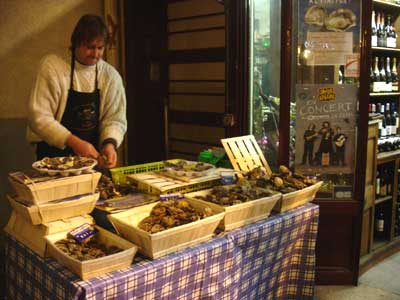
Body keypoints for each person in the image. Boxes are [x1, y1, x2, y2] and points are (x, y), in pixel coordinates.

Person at [26, 14, 126, 169]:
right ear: (76, 43)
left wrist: (109, 144)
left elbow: (115, 119)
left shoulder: (110, 76)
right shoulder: (52, 67)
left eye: (100, 48)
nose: (95, 54)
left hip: (92, 160)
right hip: (53, 161)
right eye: (90, 47)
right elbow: (39, 116)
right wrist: (75, 142)